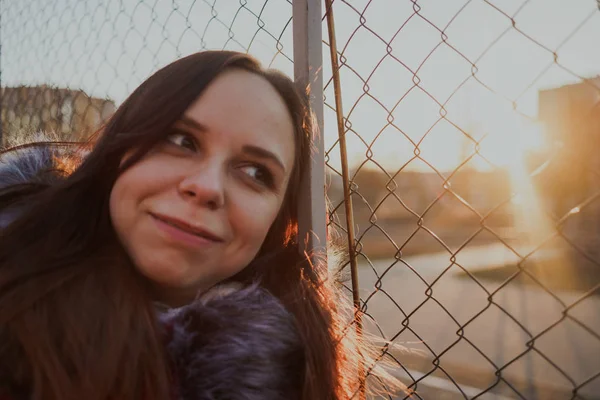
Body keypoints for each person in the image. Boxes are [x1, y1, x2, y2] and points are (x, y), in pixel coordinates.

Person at [0, 51, 393, 400]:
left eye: (256, 172)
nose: (206, 188)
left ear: (278, 224)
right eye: (181, 141)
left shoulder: (299, 369)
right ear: (119, 152)